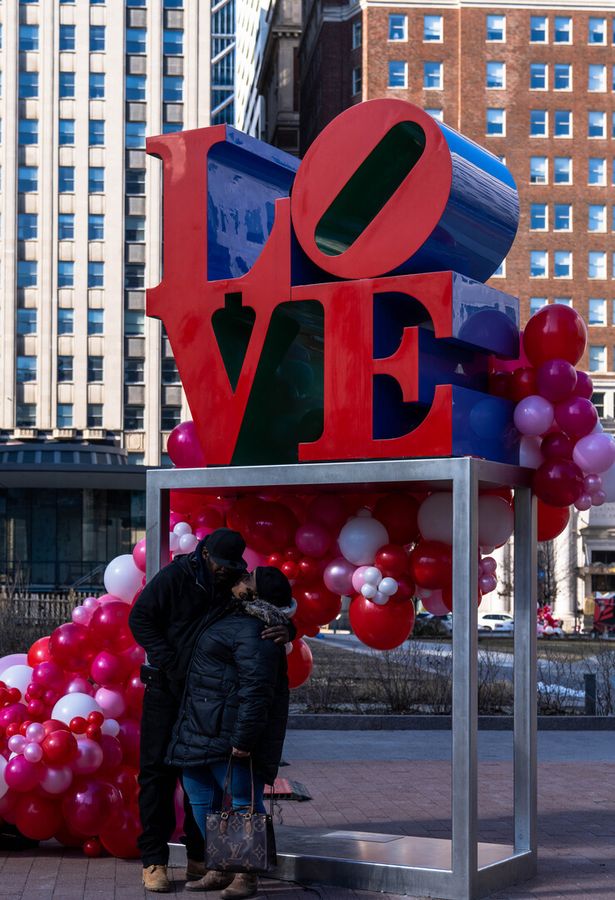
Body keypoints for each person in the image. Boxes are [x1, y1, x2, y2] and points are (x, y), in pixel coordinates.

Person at [129, 530, 293, 894]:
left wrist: (287, 627)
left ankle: (203, 856)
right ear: (204, 554)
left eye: (236, 568)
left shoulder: (233, 579)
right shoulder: (174, 578)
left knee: (200, 771)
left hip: (204, 696)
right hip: (166, 686)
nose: (230, 573)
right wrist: (169, 661)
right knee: (156, 772)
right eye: (223, 564)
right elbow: (140, 619)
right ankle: (154, 860)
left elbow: (264, 605)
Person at [167, 566, 293, 899]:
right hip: (199, 724)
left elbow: (258, 691)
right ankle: (220, 866)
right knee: (199, 795)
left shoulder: (259, 632)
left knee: (242, 802)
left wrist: (244, 739)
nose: (241, 578)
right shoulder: (229, 612)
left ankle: (246, 874)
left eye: (249, 578)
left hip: (229, 729)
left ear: (256, 593)